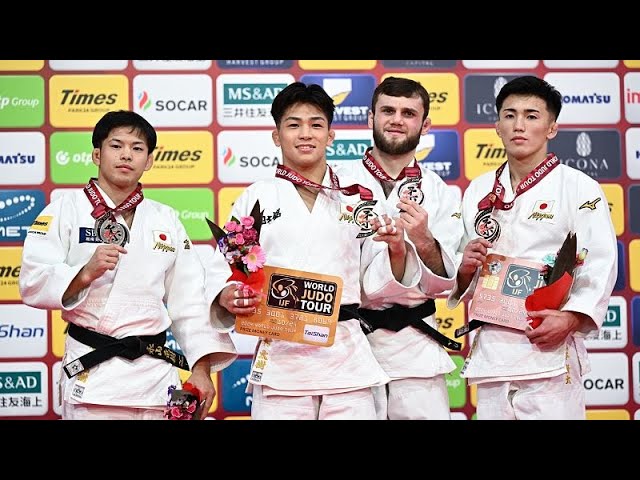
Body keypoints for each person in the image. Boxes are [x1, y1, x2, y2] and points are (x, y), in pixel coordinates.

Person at [208, 82, 424, 420]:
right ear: (277, 136)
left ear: (331, 135)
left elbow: (377, 280)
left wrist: (397, 249)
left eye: (316, 124)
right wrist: (227, 295)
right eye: (294, 125)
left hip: (346, 357)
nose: (305, 134)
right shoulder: (256, 197)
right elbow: (226, 268)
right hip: (282, 357)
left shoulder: (358, 199)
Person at [19, 110, 237, 420]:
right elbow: (32, 281)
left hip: (155, 378)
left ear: (148, 161)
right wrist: (84, 274)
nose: (126, 155)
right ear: (97, 153)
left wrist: (201, 368)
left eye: (137, 148)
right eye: (116, 145)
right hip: (93, 376)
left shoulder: (166, 219)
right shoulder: (64, 210)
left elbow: (190, 300)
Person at [448, 76, 617, 420]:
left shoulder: (579, 187)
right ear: (497, 126)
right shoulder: (478, 190)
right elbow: (461, 265)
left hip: (548, 350)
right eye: (509, 116)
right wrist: (464, 267)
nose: (519, 125)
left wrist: (572, 317)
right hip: (494, 352)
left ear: (551, 127)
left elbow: (600, 262)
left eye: (531, 115)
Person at [335, 76, 464, 420]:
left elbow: (445, 283)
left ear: (425, 125)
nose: (396, 119)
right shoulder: (335, 183)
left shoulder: (439, 192)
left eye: (408, 113)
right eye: (388, 110)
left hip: (414, 346)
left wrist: (422, 239)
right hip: (349, 342)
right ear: (370, 118)